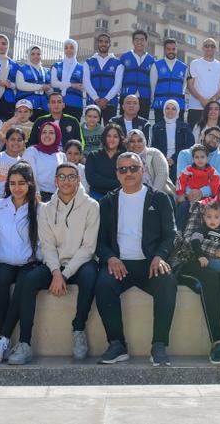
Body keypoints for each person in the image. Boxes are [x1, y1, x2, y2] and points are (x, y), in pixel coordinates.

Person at [95, 152, 179, 366]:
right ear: (117, 174)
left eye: (133, 168)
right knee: (103, 284)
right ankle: (117, 344)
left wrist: (160, 256)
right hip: (119, 264)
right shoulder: (107, 202)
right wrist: (110, 258)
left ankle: (159, 345)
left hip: (150, 263)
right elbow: (99, 240)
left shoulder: (159, 198)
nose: (128, 173)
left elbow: (171, 234)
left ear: (143, 170)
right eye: (123, 169)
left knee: (167, 282)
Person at [20, 162, 102, 363]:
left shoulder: (92, 206)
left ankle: (78, 328)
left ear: (78, 180)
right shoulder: (46, 209)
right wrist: (56, 272)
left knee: (91, 275)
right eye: (62, 177)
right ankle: (24, 343)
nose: (66, 181)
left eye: (71, 176)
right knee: (29, 281)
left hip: (81, 262)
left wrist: (64, 274)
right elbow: (47, 246)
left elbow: (88, 248)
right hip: (55, 264)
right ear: (55, 181)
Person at [171, 184, 220, 364]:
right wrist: (219, 253)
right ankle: (217, 343)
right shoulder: (201, 207)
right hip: (190, 260)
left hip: (218, 263)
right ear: (219, 190)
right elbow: (188, 240)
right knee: (210, 278)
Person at [0, 163, 42, 364]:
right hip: (4, 261)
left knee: (23, 285)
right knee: (1, 280)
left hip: (29, 263)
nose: (16, 188)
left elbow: (42, 243)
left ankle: (3, 338)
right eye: (12, 183)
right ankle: (4, 341)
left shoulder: (40, 209)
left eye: (21, 183)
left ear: (30, 183)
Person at [186, 37, 220, 128]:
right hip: (196, 107)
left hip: (215, 109)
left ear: (216, 49)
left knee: (214, 134)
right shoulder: (194, 63)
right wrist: (202, 100)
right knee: (194, 135)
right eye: (207, 46)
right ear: (202, 48)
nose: (209, 48)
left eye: (212, 46)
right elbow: (190, 85)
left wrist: (211, 102)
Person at [84, 33, 125, 122]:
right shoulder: (88, 62)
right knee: (92, 129)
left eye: (106, 42)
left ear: (109, 44)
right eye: (101, 41)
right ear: (97, 43)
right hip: (93, 103)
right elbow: (86, 82)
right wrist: (96, 99)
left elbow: (118, 84)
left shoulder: (117, 63)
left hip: (110, 103)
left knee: (110, 129)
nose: (103, 44)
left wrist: (106, 99)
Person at [176, 145, 220, 226]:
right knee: (183, 207)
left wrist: (214, 197)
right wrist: (180, 194)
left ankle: (199, 230)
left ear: (207, 158)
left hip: (205, 198)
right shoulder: (188, 170)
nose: (200, 159)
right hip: (189, 197)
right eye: (197, 157)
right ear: (193, 159)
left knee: (205, 211)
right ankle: (179, 229)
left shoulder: (212, 171)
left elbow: (216, 184)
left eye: (202, 157)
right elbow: (180, 181)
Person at [148, 99, 194, 178]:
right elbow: (154, 146)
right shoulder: (157, 127)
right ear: (164, 110)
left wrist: (173, 159)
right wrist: (164, 159)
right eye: (167, 108)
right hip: (161, 160)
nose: (170, 111)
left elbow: (189, 145)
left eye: (173, 109)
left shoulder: (185, 127)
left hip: (180, 160)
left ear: (177, 111)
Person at [23, 121, 67, 202]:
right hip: (35, 196)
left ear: (57, 135)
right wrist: (36, 194)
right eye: (44, 132)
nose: (47, 135)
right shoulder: (32, 151)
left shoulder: (61, 155)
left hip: (56, 197)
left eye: (51, 133)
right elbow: (30, 176)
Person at [119, 30, 156, 119]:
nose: (139, 42)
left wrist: (152, 97)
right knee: (124, 123)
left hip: (144, 97)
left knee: (143, 124)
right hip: (127, 96)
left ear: (146, 42)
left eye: (142, 39)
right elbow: (118, 78)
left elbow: (154, 81)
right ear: (132, 41)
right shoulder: (124, 57)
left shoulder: (152, 60)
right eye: (136, 39)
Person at [126, 129, 173, 198]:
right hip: (135, 196)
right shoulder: (126, 158)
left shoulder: (154, 153)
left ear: (144, 141)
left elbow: (162, 174)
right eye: (132, 141)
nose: (136, 144)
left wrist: (152, 195)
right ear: (128, 143)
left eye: (139, 141)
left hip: (160, 194)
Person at [150, 38, 188, 124]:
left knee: (178, 130)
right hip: (160, 105)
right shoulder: (156, 65)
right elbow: (153, 86)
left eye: (173, 49)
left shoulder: (184, 67)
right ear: (164, 50)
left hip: (177, 105)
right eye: (168, 49)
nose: (171, 51)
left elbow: (183, 87)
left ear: (176, 50)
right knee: (159, 129)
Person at [0, 128, 26, 202]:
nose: (16, 142)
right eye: (12, 139)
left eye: (19, 140)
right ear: (6, 141)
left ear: (23, 143)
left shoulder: (22, 163)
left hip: (13, 202)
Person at [85, 124, 126, 200]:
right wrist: (116, 182)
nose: (111, 139)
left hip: (119, 195)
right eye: (108, 136)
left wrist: (103, 181)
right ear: (104, 137)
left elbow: (125, 179)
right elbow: (91, 179)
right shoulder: (93, 155)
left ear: (120, 139)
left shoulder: (125, 157)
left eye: (115, 136)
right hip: (97, 195)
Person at [51, 38, 87, 121]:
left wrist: (81, 87)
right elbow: (53, 83)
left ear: (76, 50)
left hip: (75, 104)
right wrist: (71, 85)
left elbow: (85, 86)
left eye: (71, 47)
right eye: (66, 48)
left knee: (73, 128)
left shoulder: (82, 68)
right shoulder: (57, 66)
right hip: (58, 105)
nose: (68, 50)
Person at [15, 45, 53, 121]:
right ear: (29, 55)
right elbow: (20, 85)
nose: (36, 56)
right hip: (27, 108)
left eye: (38, 54)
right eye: (33, 54)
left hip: (44, 108)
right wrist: (41, 87)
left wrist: (48, 89)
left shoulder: (47, 71)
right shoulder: (22, 69)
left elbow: (51, 91)